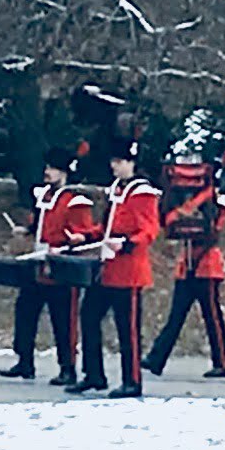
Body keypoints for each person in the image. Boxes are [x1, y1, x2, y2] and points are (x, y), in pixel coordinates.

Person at [71, 138, 161, 398]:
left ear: (131, 163)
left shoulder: (142, 192)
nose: (115, 167)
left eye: (120, 162)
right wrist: (87, 236)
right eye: (113, 162)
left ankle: (132, 380)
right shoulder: (116, 190)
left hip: (128, 270)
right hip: (106, 268)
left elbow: (149, 229)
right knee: (88, 317)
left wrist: (128, 243)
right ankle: (93, 374)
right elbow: (106, 227)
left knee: (127, 329)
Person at [0, 147, 94, 384]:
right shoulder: (45, 197)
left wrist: (68, 242)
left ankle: (68, 367)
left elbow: (82, 234)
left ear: (64, 172)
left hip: (62, 268)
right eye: (47, 167)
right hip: (39, 263)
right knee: (25, 311)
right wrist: (27, 231)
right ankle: (24, 361)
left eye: (52, 168)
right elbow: (42, 224)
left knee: (63, 319)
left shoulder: (75, 200)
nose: (47, 172)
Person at [144, 158, 225, 378]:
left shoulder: (216, 202)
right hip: (188, 264)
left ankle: (222, 363)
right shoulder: (196, 200)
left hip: (206, 264)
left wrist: (185, 210)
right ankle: (156, 358)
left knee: (212, 317)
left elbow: (217, 227)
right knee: (176, 315)